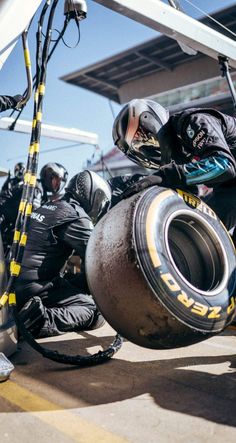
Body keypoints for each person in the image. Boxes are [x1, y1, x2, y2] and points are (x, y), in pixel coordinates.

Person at [112, 98, 236, 233]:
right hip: (229, 189)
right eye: (137, 148)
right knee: (197, 228)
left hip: (229, 181)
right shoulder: (176, 153)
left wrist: (166, 176)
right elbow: (192, 192)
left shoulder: (192, 121)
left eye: (142, 139)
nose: (144, 150)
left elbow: (223, 165)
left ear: (150, 121)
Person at [16, 170, 112, 338]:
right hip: (36, 288)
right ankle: (37, 321)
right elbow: (102, 259)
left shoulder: (49, 206)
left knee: (74, 285)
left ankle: (31, 311)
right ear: (93, 195)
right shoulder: (77, 216)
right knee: (95, 311)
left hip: (15, 285)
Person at [0, 162, 41, 254]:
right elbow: (3, 195)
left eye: (21, 169)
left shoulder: (32, 184)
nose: (19, 172)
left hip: (20, 219)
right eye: (17, 170)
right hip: (7, 217)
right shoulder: (11, 182)